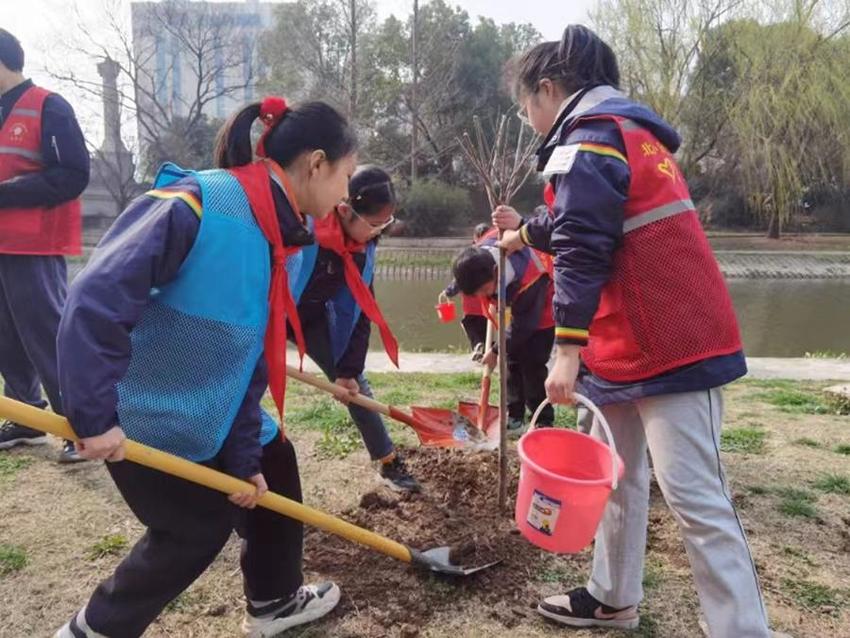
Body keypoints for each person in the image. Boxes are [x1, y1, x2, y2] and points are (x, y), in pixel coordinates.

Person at [494, 26, 770, 637]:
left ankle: (742, 629)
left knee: (696, 499)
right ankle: (612, 597)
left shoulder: (593, 139)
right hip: (627, 343)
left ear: (548, 89)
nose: (526, 117)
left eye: (524, 106)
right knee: (610, 477)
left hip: (673, 344)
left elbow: (585, 242)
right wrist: (524, 233)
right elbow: (575, 215)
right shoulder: (616, 136)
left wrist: (565, 351)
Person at [53, 97, 357, 638]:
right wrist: (93, 416)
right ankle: (92, 630)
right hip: (143, 411)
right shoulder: (197, 203)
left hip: (213, 406)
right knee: (193, 528)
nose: (344, 196)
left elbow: (251, 358)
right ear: (316, 163)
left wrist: (243, 454)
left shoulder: (290, 241)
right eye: (345, 177)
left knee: (273, 466)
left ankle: (273, 601)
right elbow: (93, 301)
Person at [288, 165, 420, 492]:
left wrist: (347, 369)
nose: (377, 233)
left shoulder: (364, 247)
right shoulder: (304, 227)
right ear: (345, 210)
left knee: (356, 387)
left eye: (384, 225)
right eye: (374, 225)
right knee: (246, 375)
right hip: (274, 308)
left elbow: (363, 308)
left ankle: (387, 461)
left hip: (314, 316)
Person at [0, 28, 89, 463]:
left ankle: (80, 424)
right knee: (5, 334)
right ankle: (27, 415)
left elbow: (73, 175)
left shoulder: (49, 107)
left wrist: (7, 192)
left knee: (48, 333)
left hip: (32, 244)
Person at [450, 228, 555, 436]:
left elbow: (523, 327)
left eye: (483, 291)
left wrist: (496, 349)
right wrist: (452, 290)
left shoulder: (529, 278)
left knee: (533, 366)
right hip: (510, 309)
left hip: (540, 315)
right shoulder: (480, 256)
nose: (480, 296)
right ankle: (515, 417)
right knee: (512, 362)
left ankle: (542, 420)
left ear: (496, 272)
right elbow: (465, 277)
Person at [442, 223, 490, 363]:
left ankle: (478, 346)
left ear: (475, 237)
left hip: (472, 305)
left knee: (470, 325)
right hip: (489, 304)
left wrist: (449, 292)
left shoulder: (469, 256)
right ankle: (488, 351)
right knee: (489, 328)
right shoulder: (493, 253)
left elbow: (459, 279)